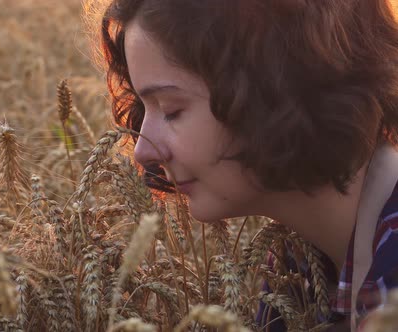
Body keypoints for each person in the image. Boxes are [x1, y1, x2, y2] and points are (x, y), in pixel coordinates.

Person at [91, 0, 398, 330]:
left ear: (275, 85)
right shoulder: (296, 264)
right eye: (143, 106)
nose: (141, 150)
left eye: (171, 109)